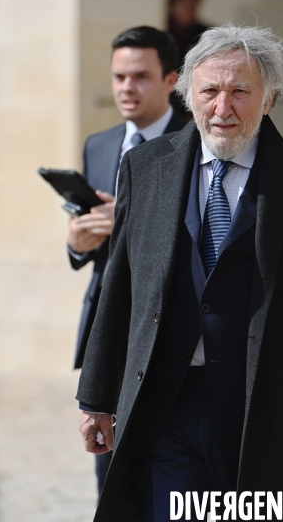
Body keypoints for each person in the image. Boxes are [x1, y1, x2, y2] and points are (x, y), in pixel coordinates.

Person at [76, 25, 283, 521]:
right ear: (188, 94)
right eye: (210, 91)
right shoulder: (145, 169)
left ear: (268, 98)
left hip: (272, 413)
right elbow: (122, 288)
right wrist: (96, 395)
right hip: (168, 408)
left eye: (240, 92)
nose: (223, 108)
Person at [67, 25, 186, 495]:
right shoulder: (99, 145)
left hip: (170, 328)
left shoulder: (196, 142)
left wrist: (135, 222)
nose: (126, 88)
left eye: (139, 76)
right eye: (118, 77)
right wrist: (78, 240)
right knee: (110, 475)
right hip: (108, 330)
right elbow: (91, 254)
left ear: (171, 79)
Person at [166, 0, 210, 120]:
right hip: (168, 106)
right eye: (185, 5)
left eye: (193, 6)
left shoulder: (206, 35)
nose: (190, 11)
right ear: (173, 6)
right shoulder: (163, 36)